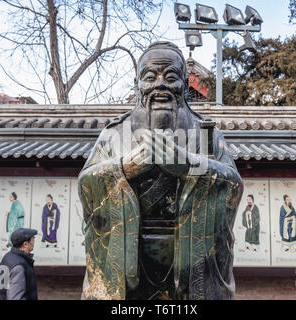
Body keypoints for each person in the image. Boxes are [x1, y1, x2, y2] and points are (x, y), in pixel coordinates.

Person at [78, 41, 244, 300]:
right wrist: (123, 168)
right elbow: (86, 185)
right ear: (138, 84)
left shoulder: (206, 134)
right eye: (149, 77)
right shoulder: (113, 134)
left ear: (185, 84)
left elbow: (232, 185)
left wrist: (190, 166)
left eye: (171, 77)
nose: (160, 85)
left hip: (190, 260)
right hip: (128, 261)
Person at [0, 228, 38, 300]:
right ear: (25, 244)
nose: (34, 241)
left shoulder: (8, 256)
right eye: (33, 239)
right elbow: (15, 297)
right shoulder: (19, 266)